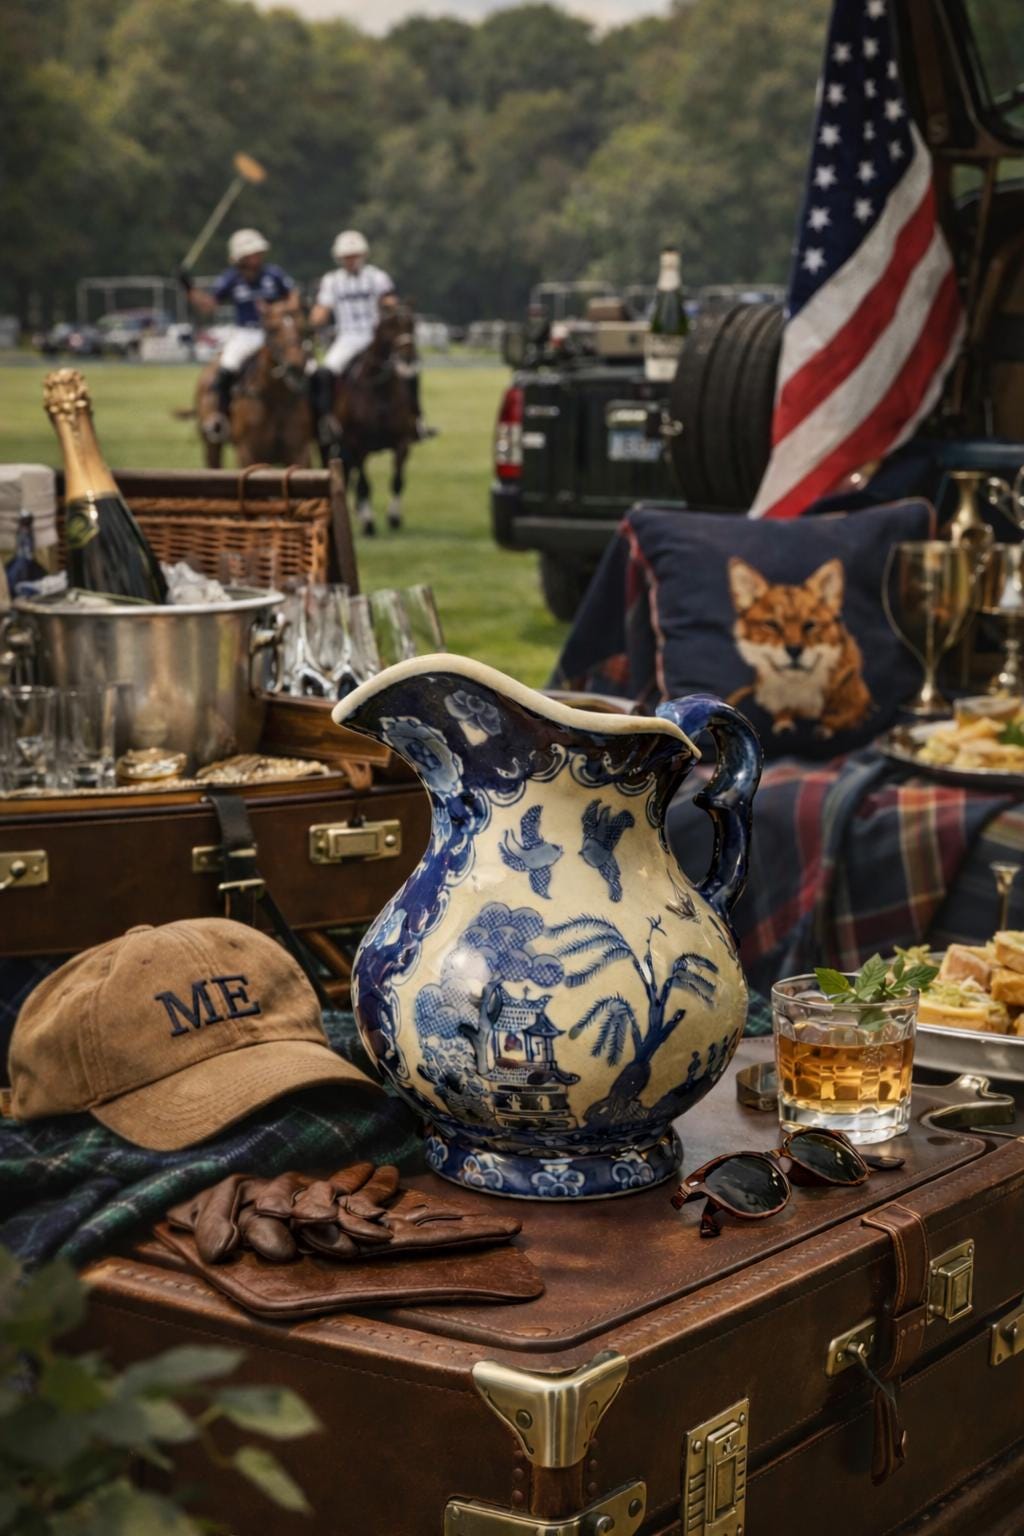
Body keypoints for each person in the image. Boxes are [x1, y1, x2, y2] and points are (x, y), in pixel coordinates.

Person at [309, 229, 434, 447]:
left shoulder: (377, 277)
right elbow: (322, 309)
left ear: (363, 255)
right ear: (339, 258)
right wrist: (312, 319)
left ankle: (416, 419)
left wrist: (393, 306)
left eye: (355, 255)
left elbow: (390, 301)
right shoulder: (332, 281)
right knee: (324, 373)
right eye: (347, 257)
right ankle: (326, 421)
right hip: (347, 337)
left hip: (376, 337)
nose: (351, 260)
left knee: (408, 371)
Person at [181, 229, 299, 442]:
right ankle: (221, 417)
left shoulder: (274, 274)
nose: (258, 256)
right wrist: (189, 289)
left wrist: (276, 309)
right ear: (240, 257)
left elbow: (294, 299)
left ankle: (315, 418)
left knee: (305, 367)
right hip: (246, 333)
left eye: (259, 252)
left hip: (274, 334)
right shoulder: (231, 278)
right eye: (253, 253)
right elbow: (208, 306)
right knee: (227, 366)